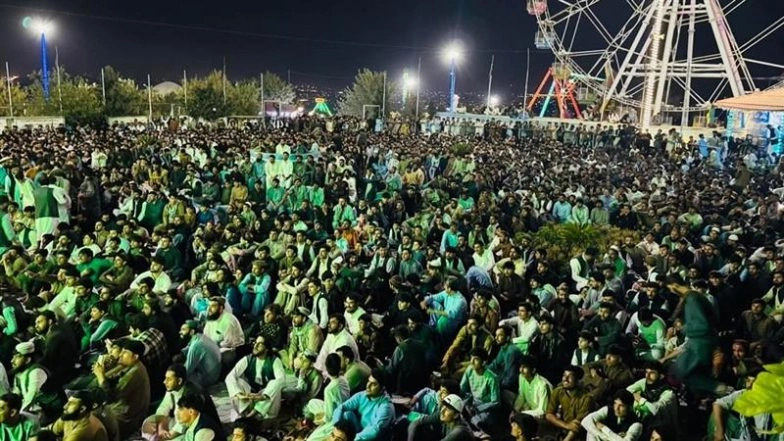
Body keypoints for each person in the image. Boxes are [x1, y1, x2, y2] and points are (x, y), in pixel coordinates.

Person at [91, 339, 151, 439]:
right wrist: (105, 369)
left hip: (126, 417)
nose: (120, 355)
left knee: (90, 419)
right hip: (121, 408)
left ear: (135, 357)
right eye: (121, 351)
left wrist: (100, 375)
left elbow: (109, 397)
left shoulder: (135, 372)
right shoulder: (129, 364)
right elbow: (109, 380)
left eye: (125, 353)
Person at [225, 335, 286, 420]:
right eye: (255, 343)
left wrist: (263, 396)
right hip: (251, 398)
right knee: (237, 381)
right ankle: (244, 414)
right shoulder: (248, 359)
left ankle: (251, 416)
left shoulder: (274, 361)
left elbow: (282, 380)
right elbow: (230, 376)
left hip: (268, 405)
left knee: (275, 383)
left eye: (260, 344)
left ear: (267, 348)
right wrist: (239, 394)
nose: (255, 346)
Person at [331, 369, 395, 441]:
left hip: (374, 438)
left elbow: (375, 430)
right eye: (368, 381)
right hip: (360, 431)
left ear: (383, 388)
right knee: (347, 414)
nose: (368, 386)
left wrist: (354, 439)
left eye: (373, 384)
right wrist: (336, 426)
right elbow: (342, 407)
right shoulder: (362, 395)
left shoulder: (386, 406)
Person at [546, 366, 593, 441]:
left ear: (577, 380)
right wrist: (566, 425)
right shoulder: (557, 392)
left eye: (570, 376)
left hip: (578, 435)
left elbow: (576, 426)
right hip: (561, 430)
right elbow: (549, 414)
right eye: (564, 375)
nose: (565, 379)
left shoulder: (586, 398)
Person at [406, 394, 473, 441]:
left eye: (448, 409)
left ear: (456, 415)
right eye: (444, 406)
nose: (443, 410)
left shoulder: (459, 431)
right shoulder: (442, 414)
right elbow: (416, 422)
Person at [179, 320, 222, 389]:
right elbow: (188, 347)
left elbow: (186, 370)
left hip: (210, 378)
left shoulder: (196, 346)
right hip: (216, 371)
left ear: (192, 332)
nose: (180, 332)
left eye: (183, 330)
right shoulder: (200, 336)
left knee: (181, 379)